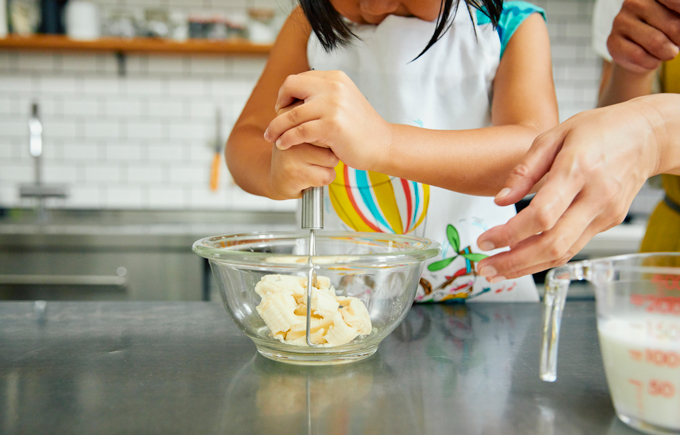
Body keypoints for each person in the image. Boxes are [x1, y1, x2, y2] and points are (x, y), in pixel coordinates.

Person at [226, 0, 558, 302]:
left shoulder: (510, 26)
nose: (374, 5)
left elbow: (537, 154)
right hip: (344, 309)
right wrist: (274, 170)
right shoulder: (308, 23)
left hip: (487, 307)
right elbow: (246, 139)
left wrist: (385, 143)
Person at [474, 0, 680, 282]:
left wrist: (658, 132)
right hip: (668, 254)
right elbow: (616, 122)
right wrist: (636, 62)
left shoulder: (519, 22)